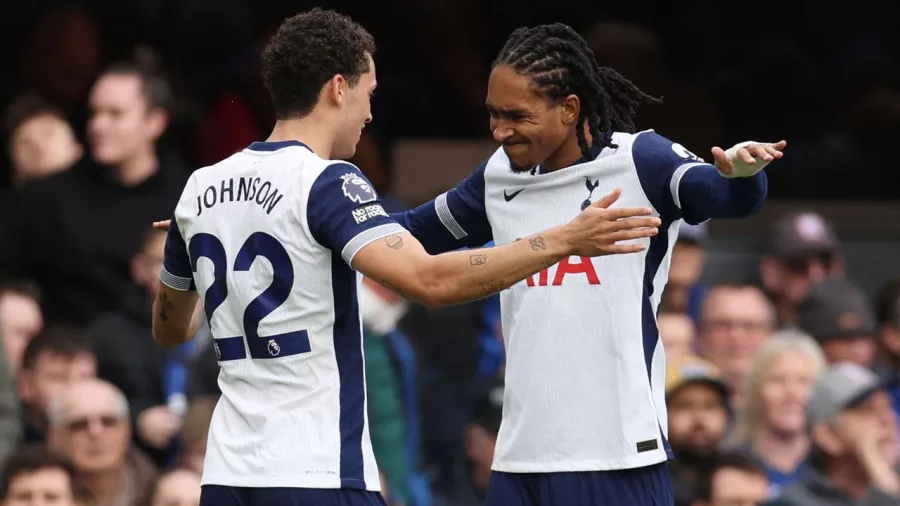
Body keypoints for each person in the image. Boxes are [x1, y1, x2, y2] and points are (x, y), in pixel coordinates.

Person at [150, 9, 661, 506]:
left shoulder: (200, 189)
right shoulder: (329, 180)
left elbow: (171, 331)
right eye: (368, 94)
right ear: (337, 88)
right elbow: (431, 281)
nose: (370, 114)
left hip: (225, 474)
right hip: (317, 469)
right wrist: (563, 239)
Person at [387, 22, 784, 505]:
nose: (499, 130)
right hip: (519, 460)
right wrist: (333, 215)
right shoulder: (498, 175)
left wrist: (744, 175)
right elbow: (408, 233)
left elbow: (722, 194)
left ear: (569, 109)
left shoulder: (642, 160)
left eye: (516, 116)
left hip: (616, 458)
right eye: (493, 114)